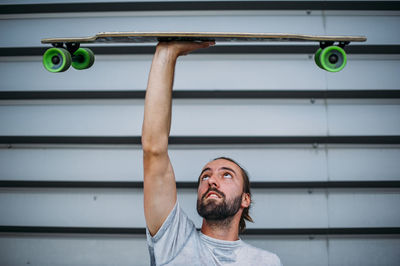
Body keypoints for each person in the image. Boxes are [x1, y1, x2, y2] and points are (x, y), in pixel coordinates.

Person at [142, 41, 282, 266]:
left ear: (246, 199)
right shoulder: (174, 240)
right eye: (204, 176)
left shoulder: (266, 261)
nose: (211, 181)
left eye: (226, 175)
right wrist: (166, 54)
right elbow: (154, 149)